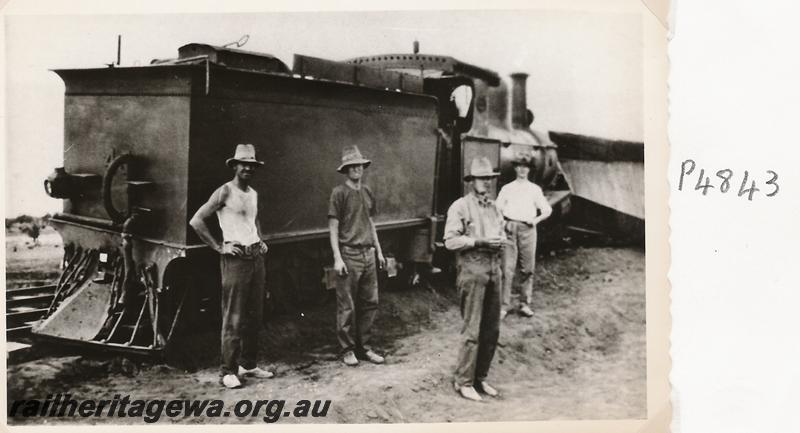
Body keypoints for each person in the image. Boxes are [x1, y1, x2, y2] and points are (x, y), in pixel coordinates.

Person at [189, 143, 272, 389]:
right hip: (235, 260)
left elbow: (254, 219)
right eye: (243, 164)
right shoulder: (224, 192)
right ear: (235, 166)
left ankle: (249, 364)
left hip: (256, 257)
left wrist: (261, 239)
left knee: (255, 315)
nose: (247, 168)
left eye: (251, 164)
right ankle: (228, 371)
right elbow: (197, 220)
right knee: (233, 317)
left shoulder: (253, 194)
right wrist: (219, 247)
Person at [444, 156, 506, 402]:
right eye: (481, 179)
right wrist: (478, 242)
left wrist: (499, 241)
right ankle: (463, 381)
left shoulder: (494, 208)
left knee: (492, 328)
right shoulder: (460, 206)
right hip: (472, 269)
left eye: (489, 179)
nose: (486, 183)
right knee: (472, 328)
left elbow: (500, 232)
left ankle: (480, 378)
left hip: (494, 268)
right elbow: (449, 241)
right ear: (472, 181)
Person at [328, 145, 387, 367]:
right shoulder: (339, 193)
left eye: (359, 166)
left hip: (369, 254)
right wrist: (337, 257)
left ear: (363, 168)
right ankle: (347, 349)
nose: (356, 170)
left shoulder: (368, 192)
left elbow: (371, 223)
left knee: (370, 302)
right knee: (347, 305)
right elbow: (333, 227)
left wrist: (379, 251)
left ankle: (365, 348)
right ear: (346, 170)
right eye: (351, 166)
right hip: (349, 254)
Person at [496, 151, 553, 319]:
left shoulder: (534, 189)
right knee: (507, 269)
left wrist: (534, 221)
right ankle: (503, 306)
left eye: (525, 167)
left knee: (527, 268)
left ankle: (524, 304)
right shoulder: (507, 188)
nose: (522, 170)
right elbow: (497, 209)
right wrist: (503, 223)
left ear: (529, 170)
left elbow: (547, 210)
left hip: (528, 229)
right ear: (515, 168)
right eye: (519, 166)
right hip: (509, 228)